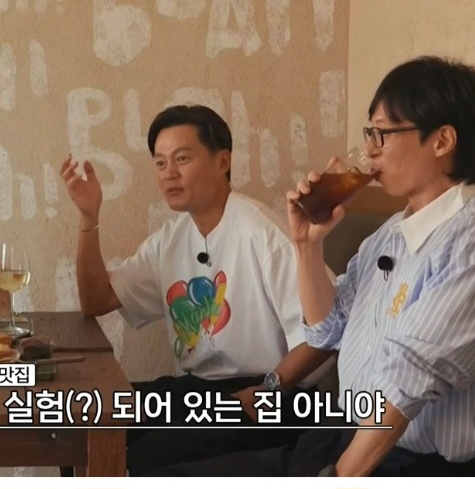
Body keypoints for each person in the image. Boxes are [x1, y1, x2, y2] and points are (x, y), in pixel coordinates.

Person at [173, 57, 475, 476]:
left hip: (408, 462)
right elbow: (327, 330)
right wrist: (307, 244)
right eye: (369, 133)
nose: (369, 150)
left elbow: (407, 382)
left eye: (383, 133)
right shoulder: (392, 233)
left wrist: (339, 477)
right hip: (344, 431)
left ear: (442, 141)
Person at [61, 105, 322, 473]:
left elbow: (325, 331)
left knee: (141, 457)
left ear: (222, 161)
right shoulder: (170, 239)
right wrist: (89, 218)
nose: (170, 173)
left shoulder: (262, 232)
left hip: (272, 397)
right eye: (160, 162)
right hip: (197, 389)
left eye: (182, 158)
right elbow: (97, 300)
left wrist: (269, 389)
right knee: (83, 419)